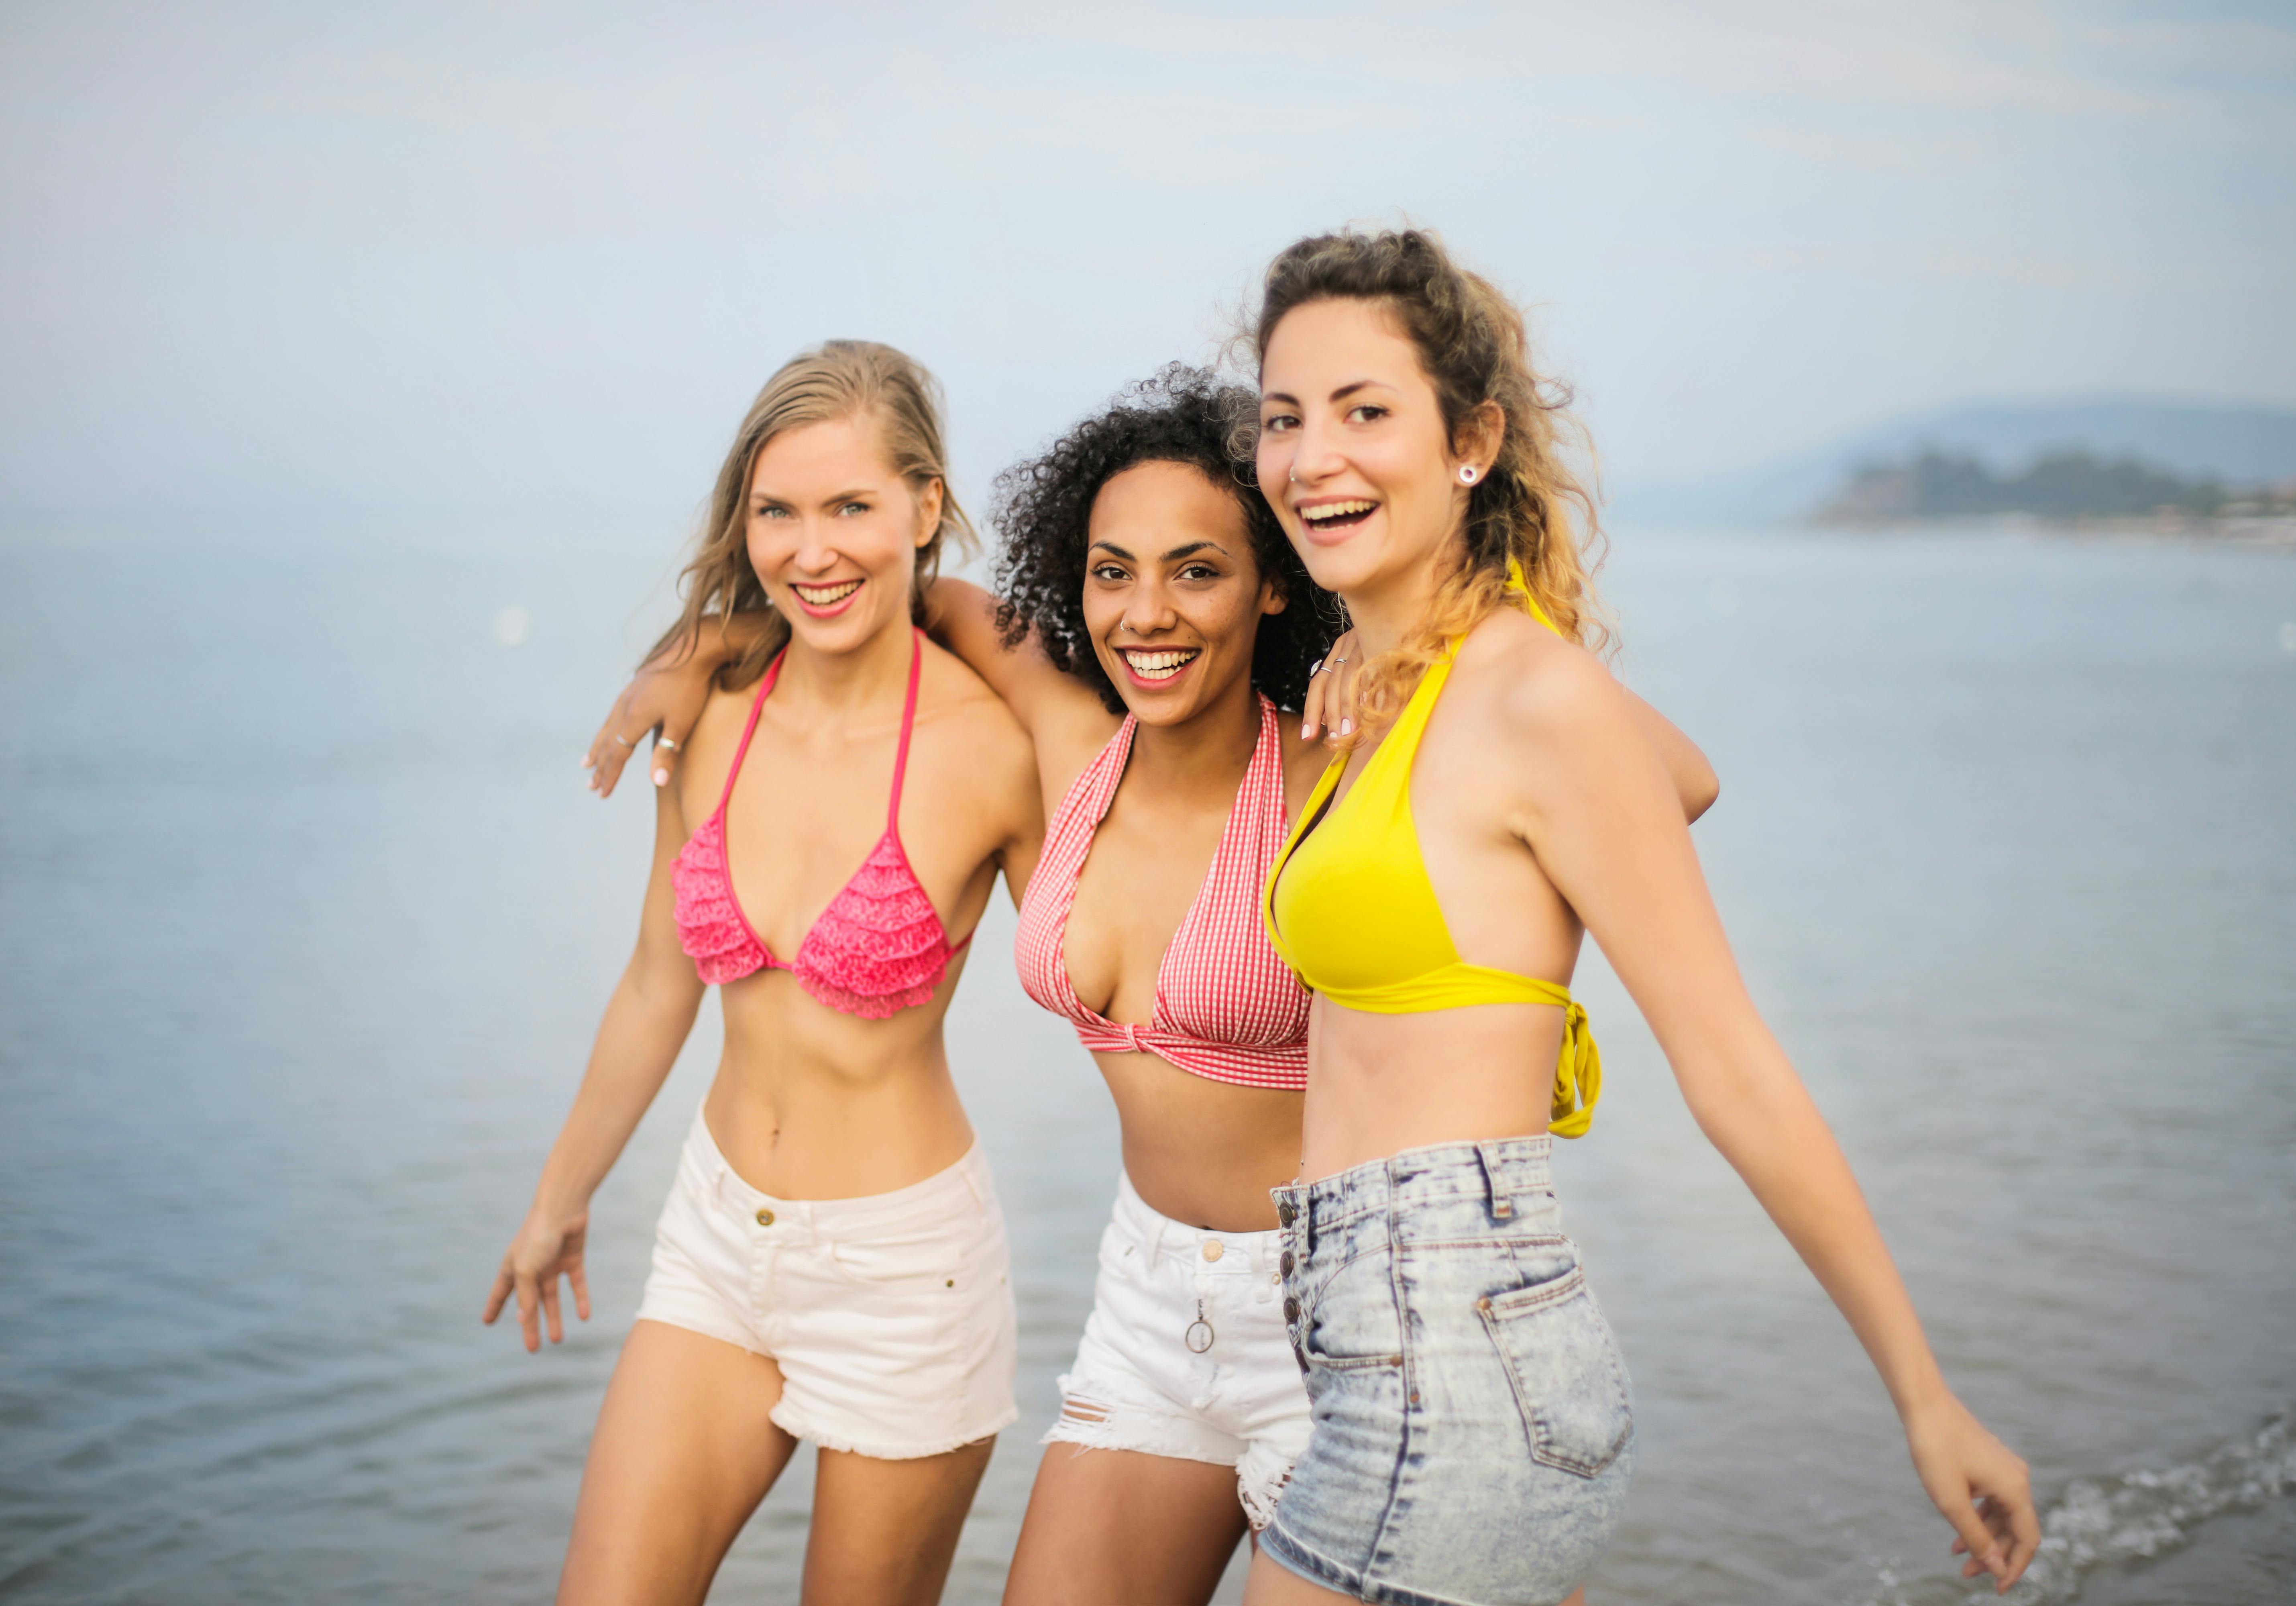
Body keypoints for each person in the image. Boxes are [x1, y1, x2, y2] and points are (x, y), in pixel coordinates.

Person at [582, 366, 1719, 1605]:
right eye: (1112, 571)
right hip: (1152, 1307)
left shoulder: (1337, 761)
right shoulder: (1070, 737)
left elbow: (1676, 775)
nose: (1146, 611)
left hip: (1344, 1319)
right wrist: (707, 644)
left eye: (1197, 568)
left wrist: (1421, 641)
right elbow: (904, 594)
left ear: (1273, 580)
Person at [1240, 228, 2040, 1606]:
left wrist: (1924, 1395)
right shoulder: (1424, 692)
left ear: (1470, 440)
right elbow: (1692, 775)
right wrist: (1376, 663)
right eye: (1284, 418)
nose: (1315, 458)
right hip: (1396, 1353)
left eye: (1367, 413)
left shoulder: (1532, 703)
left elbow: (1734, 1070)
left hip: (1456, 1373)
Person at [484, 340, 1044, 1606]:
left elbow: (1112, 957)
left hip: (907, 1275)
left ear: (925, 506)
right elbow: (654, 981)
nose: (812, 549)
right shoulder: (716, 711)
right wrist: (559, 1198)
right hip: (716, 1240)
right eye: (777, 512)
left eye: (852, 506)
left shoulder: (988, 752)